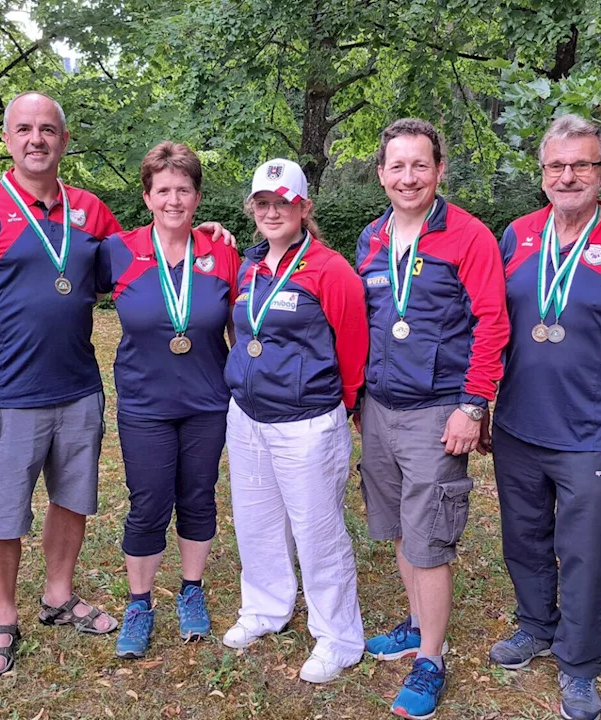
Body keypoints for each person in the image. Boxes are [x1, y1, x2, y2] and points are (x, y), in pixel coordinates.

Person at [0, 92, 235, 676]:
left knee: (71, 500)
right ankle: (3, 618)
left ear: (63, 141)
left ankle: (58, 594)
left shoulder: (90, 212)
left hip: (79, 389)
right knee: (2, 514)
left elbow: (146, 250)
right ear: (7, 138)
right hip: (5, 391)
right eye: (24, 128)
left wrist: (204, 231)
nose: (36, 139)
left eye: (48, 129)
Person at [485, 114, 601, 720]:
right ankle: (536, 626)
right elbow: (490, 326)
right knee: (524, 538)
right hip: (516, 425)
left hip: (590, 436)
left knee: (586, 552)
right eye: (557, 165)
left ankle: (579, 665)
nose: (569, 176)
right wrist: (481, 402)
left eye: (582, 164)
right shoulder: (515, 236)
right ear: (542, 174)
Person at [354, 118, 509, 718]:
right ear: (381, 174)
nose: (408, 177)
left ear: (439, 170)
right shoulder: (370, 238)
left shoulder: (468, 237)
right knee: (398, 528)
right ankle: (417, 625)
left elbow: (492, 323)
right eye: (397, 166)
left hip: (438, 412)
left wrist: (473, 406)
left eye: (420, 165)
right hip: (380, 408)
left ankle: (432, 660)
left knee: (430, 539)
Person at [221, 158, 369, 684]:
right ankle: (265, 609)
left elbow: (353, 346)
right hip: (248, 416)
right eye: (262, 203)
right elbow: (240, 333)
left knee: (318, 530)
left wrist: (343, 405)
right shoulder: (249, 265)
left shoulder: (330, 269)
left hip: (307, 421)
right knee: (257, 520)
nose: (272, 211)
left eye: (283, 202)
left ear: (303, 207)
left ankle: (339, 637)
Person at [97, 142, 241, 658]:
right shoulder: (117, 250)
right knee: (149, 502)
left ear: (198, 197)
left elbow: (240, 326)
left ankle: (191, 590)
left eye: (184, 190)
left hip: (208, 399)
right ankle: (139, 603)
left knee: (199, 496)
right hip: (144, 402)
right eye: (164, 190)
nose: (174, 199)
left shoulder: (222, 252)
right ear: (147, 195)